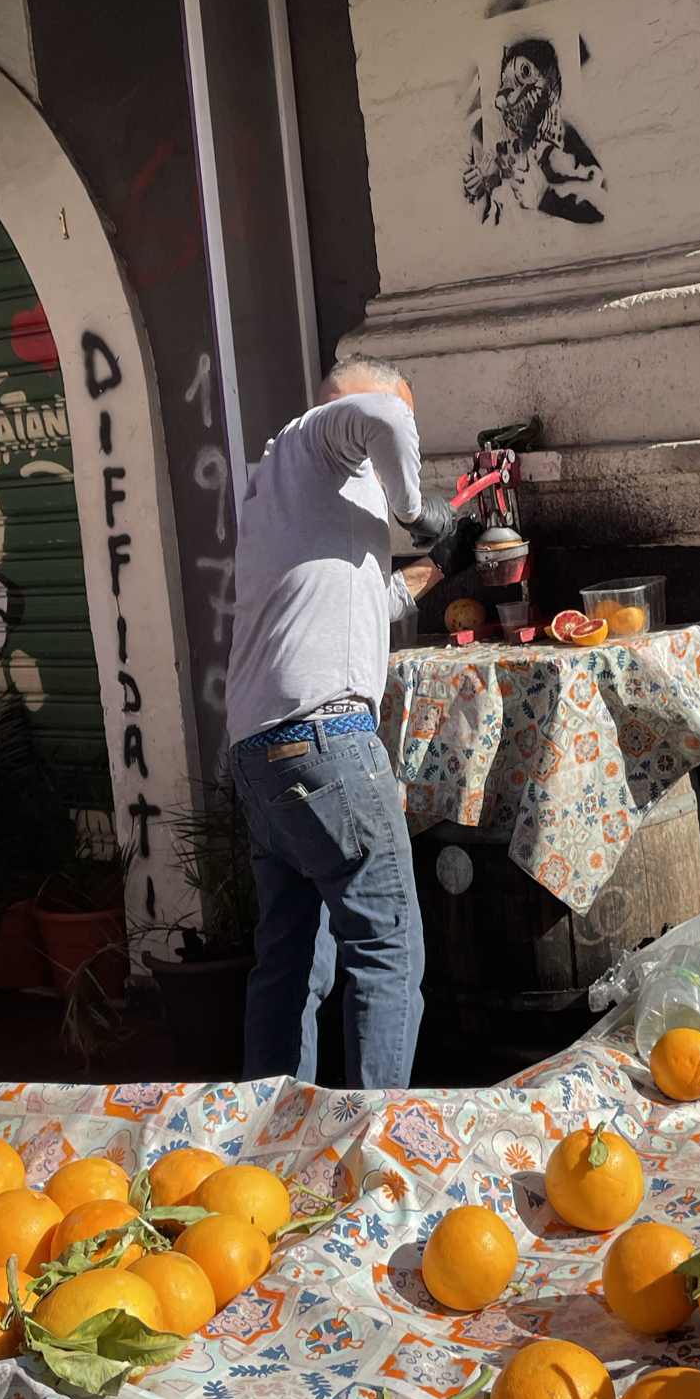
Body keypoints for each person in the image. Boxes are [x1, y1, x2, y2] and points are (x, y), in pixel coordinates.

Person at [226, 357, 477, 1087]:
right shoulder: (319, 437)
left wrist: (436, 566)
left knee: (292, 960)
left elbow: (359, 603)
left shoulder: (295, 495)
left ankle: (265, 1144)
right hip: (324, 744)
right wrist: (418, 509)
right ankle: (373, 1151)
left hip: (263, 754)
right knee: (388, 948)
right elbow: (386, 418)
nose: (409, 437)